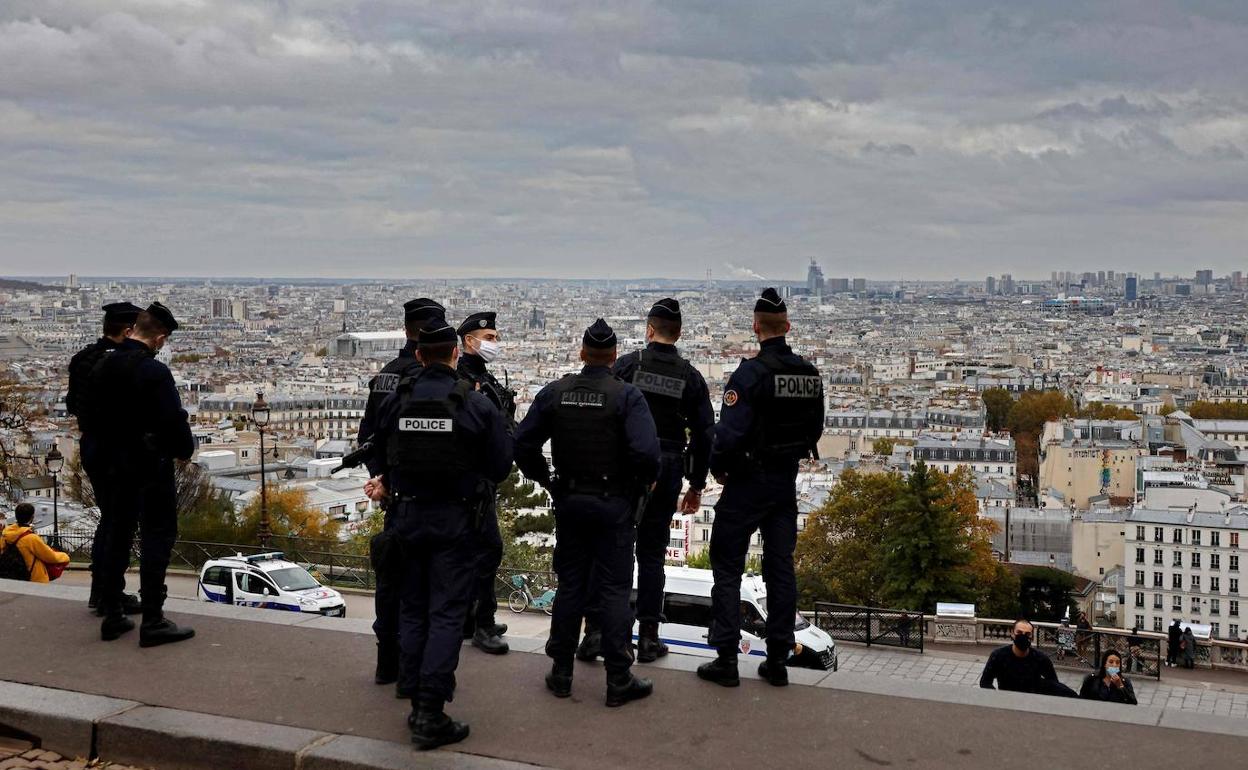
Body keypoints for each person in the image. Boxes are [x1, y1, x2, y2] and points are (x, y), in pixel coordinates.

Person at [364, 318, 513, 750]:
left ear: (417, 356)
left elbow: (378, 449)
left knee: (413, 609)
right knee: (448, 614)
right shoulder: (474, 404)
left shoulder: (396, 400)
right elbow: (500, 466)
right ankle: (430, 712)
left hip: (406, 518)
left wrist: (389, 481)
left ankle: (412, 692)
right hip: (456, 519)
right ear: (454, 354)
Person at [514, 318, 661, 707]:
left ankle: (561, 672)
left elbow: (522, 443)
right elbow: (648, 454)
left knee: (571, 586)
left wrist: (545, 479)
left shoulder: (555, 393)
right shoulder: (626, 397)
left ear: (582, 354)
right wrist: (641, 484)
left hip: (570, 500)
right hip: (614, 503)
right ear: (614, 357)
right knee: (613, 589)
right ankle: (618, 679)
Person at [697, 289, 824, 689]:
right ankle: (778, 660)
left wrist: (718, 470)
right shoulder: (808, 374)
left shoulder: (749, 375)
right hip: (785, 483)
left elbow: (729, 436)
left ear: (756, 328)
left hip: (748, 482)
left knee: (728, 568)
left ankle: (726, 659)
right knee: (781, 568)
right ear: (787, 327)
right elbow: (815, 430)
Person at [577, 298, 715, 663]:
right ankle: (649, 636)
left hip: (626, 467)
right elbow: (704, 434)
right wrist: (696, 485)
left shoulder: (627, 366)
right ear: (680, 333)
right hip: (669, 467)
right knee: (652, 556)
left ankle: (596, 632)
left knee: (609, 550)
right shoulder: (690, 376)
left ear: (649, 330)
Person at [86, 303, 195, 647]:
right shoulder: (154, 372)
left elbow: (88, 416)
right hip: (149, 467)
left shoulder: (101, 365)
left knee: (117, 533)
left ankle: (114, 612)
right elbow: (174, 424)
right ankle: (153, 618)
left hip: (111, 465)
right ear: (160, 337)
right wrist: (181, 449)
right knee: (156, 537)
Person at [357, 298, 446, 694]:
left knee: (391, 583)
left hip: (396, 500)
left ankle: (386, 663)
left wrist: (383, 480)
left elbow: (368, 440)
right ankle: (423, 673)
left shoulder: (386, 377)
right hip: (438, 503)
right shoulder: (436, 382)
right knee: (429, 592)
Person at [66, 302, 144, 613]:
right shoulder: (123, 363)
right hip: (118, 449)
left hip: (92, 446)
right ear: (127, 331)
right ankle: (110, 592)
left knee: (109, 518)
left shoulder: (82, 359)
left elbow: (73, 404)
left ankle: (102, 588)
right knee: (122, 522)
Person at [456, 311, 516, 656]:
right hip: (474, 480)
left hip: (480, 479)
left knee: (477, 550)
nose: (494, 343)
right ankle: (482, 624)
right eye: (490, 338)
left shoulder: (480, 375)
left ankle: (473, 617)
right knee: (486, 548)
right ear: (469, 341)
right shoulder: (466, 379)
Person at [979, 619, 1078, 697]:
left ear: (1032, 637)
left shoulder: (1041, 659)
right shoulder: (998, 656)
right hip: (1007, 702)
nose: (1023, 636)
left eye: (1027, 634)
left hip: (1032, 703)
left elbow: (1054, 685)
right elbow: (985, 682)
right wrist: (998, 698)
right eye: (1019, 632)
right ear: (1012, 634)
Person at [1, 503, 70, 583]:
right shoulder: (31, 538)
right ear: (32, 517)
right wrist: (65, 556)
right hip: (33, 579)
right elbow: (50, 556)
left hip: (11, 577)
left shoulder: (5, 535)